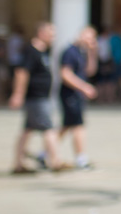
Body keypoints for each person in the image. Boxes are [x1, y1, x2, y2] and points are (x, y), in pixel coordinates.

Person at [10, 22, 69, 174]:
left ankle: (18, 164)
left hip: (41, 96)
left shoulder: (44, 51)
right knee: (49, 128)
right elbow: (21, 72)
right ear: (41, 33)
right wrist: (18, 94)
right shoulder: (31, 51)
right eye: (51, 33)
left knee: (27, 130)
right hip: (36, 97)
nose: (53, 37)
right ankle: (55, 161)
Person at [58, 26, 99, 170]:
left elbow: (90, 71)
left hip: (77, 94)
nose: (90, 41)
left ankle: (45, 153)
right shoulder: (69, 51)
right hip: (70, 94)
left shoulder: (82, 52)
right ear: (81, 35)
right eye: (88, 37)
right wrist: (84, 87)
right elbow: (65, 74)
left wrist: (92, 53)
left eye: (93, 38)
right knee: (78, 125)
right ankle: (81, 158)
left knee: (67, 125)